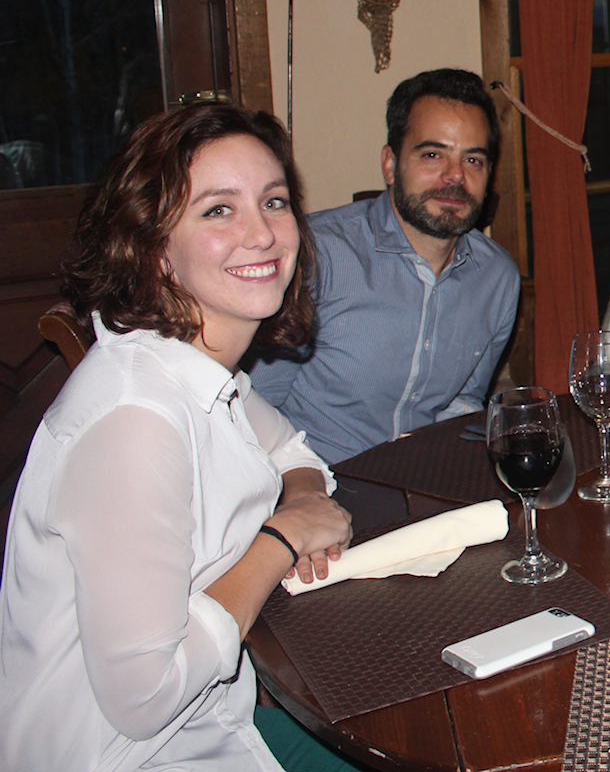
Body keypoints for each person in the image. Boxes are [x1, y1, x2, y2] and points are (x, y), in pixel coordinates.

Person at [0, 102, 355, 771]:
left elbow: (289, 449)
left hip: (219, 721)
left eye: (273, 202)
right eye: (219, 210)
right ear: (155, 249)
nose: (261, 233)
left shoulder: (191, 365)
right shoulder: (135, 417)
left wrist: (306, 499)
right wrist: (281, 541)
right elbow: (146, 696)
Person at [248, 69, 520, 464]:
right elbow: (255, 408)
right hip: (318, 481)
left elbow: (464, 403)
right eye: (432, 155)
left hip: (428, 479)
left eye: (473, 160)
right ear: (390, 165)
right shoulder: (314, 255)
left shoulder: (498, 278)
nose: (455, 176)